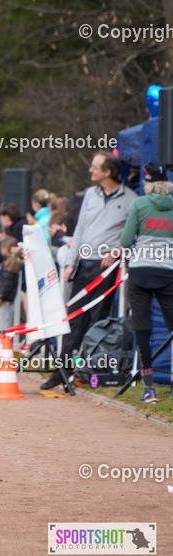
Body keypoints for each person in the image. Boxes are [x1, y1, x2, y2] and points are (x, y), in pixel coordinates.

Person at [43, 151, 137, 391]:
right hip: (84, 264)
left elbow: (133, 235)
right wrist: (71, 263)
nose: (90, 170)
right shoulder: (90, 196)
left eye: (95, 167)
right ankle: (63, 370)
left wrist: (116, 252)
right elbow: (81, 229)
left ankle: (91, 371)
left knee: (98, 323)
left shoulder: (130, 199)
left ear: (107, 172)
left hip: (107, 270)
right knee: (74, 320)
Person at [118, 161, 173, 403]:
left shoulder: (139, 204)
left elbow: (126, 240)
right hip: (167, 273)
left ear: (147, 182)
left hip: (140, 272)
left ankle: (149, 388)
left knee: (142, 330)